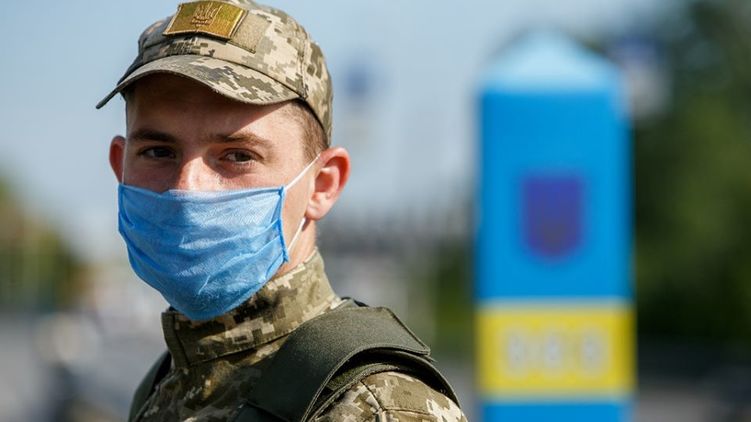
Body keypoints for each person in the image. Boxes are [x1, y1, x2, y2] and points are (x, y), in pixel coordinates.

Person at [97, 1, 468, 421]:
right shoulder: (168, 383)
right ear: (120, 167)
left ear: (323, 185)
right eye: (158, 152)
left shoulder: (371, 405)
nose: (187, 187)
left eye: (238, 156)